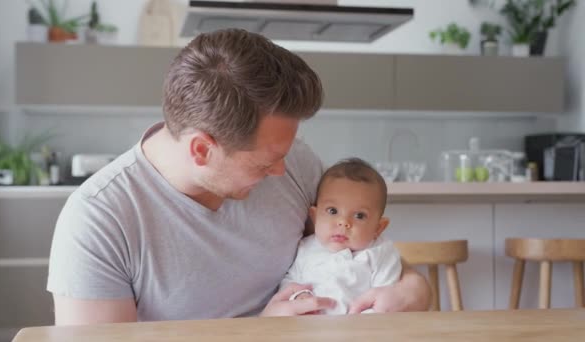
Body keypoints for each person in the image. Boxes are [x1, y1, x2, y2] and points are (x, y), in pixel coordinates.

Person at [47, 28, 430, 325]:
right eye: (264, 164)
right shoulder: (99, 221)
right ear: (201, 149)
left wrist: (414, 288)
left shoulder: (294, 162)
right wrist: (260, 331)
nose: (281, 171)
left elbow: (356, 251)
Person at [280, 158, 401, 315]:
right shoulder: (306, 249)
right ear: (315, 217)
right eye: (332, 211)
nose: (343, 222)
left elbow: (387, 300)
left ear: (378, 228)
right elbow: (289, 283)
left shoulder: (381, 253)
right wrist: (298, 296)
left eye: (359, 215)